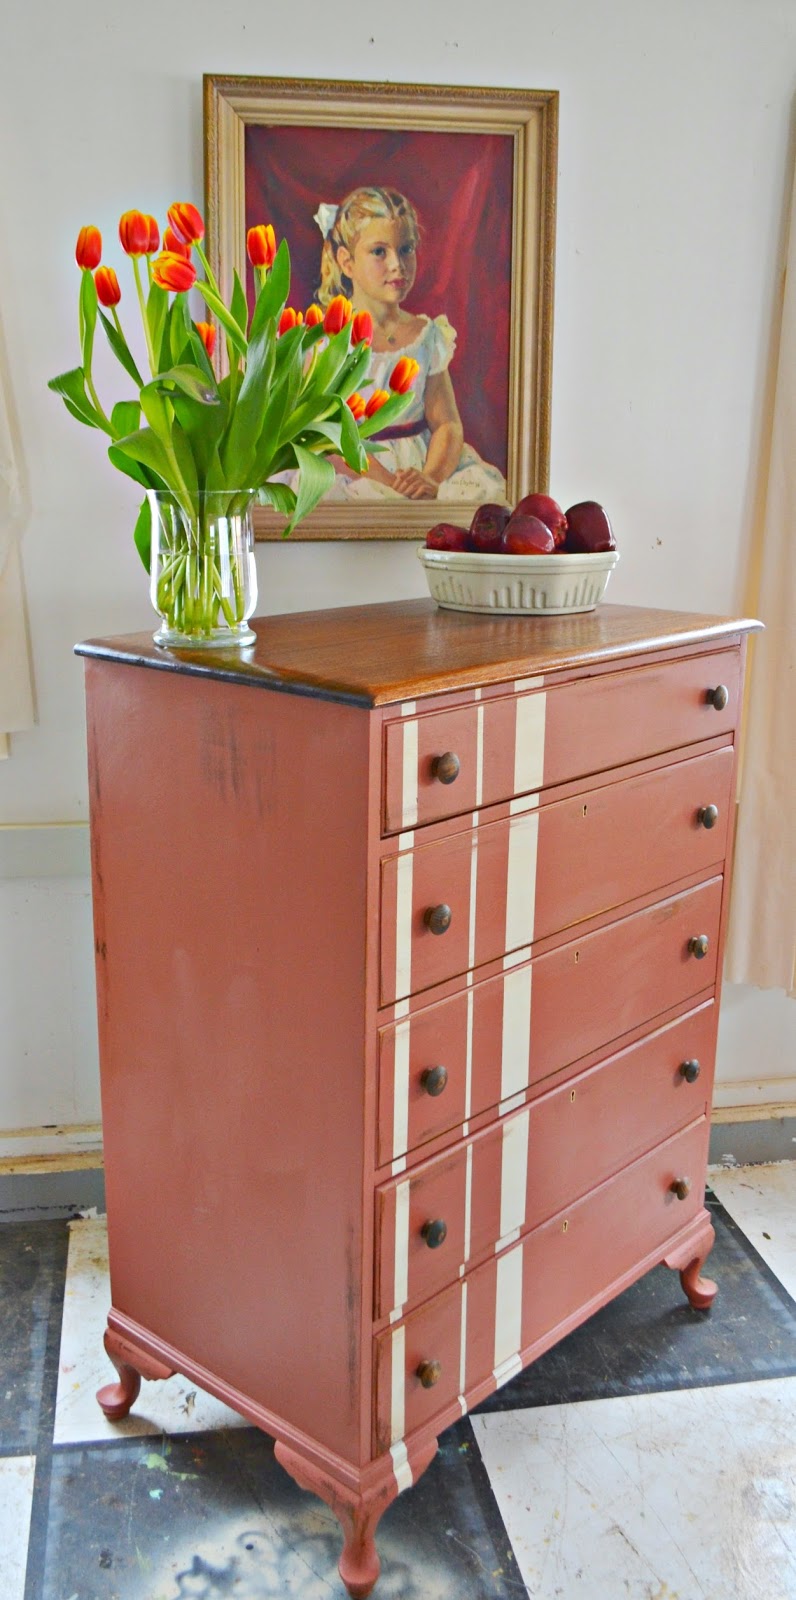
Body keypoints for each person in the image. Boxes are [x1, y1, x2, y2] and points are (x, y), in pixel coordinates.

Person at [314, 186, 507, 504]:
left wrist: (430, 478)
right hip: (360, 473)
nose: (397, 264)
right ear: (346, 262)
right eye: (379, 252)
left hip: (422, 467)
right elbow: (328, 437)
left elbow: (446, 423)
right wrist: (390, 485)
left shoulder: (426, 335)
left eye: (405, 249)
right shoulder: (328, 340)